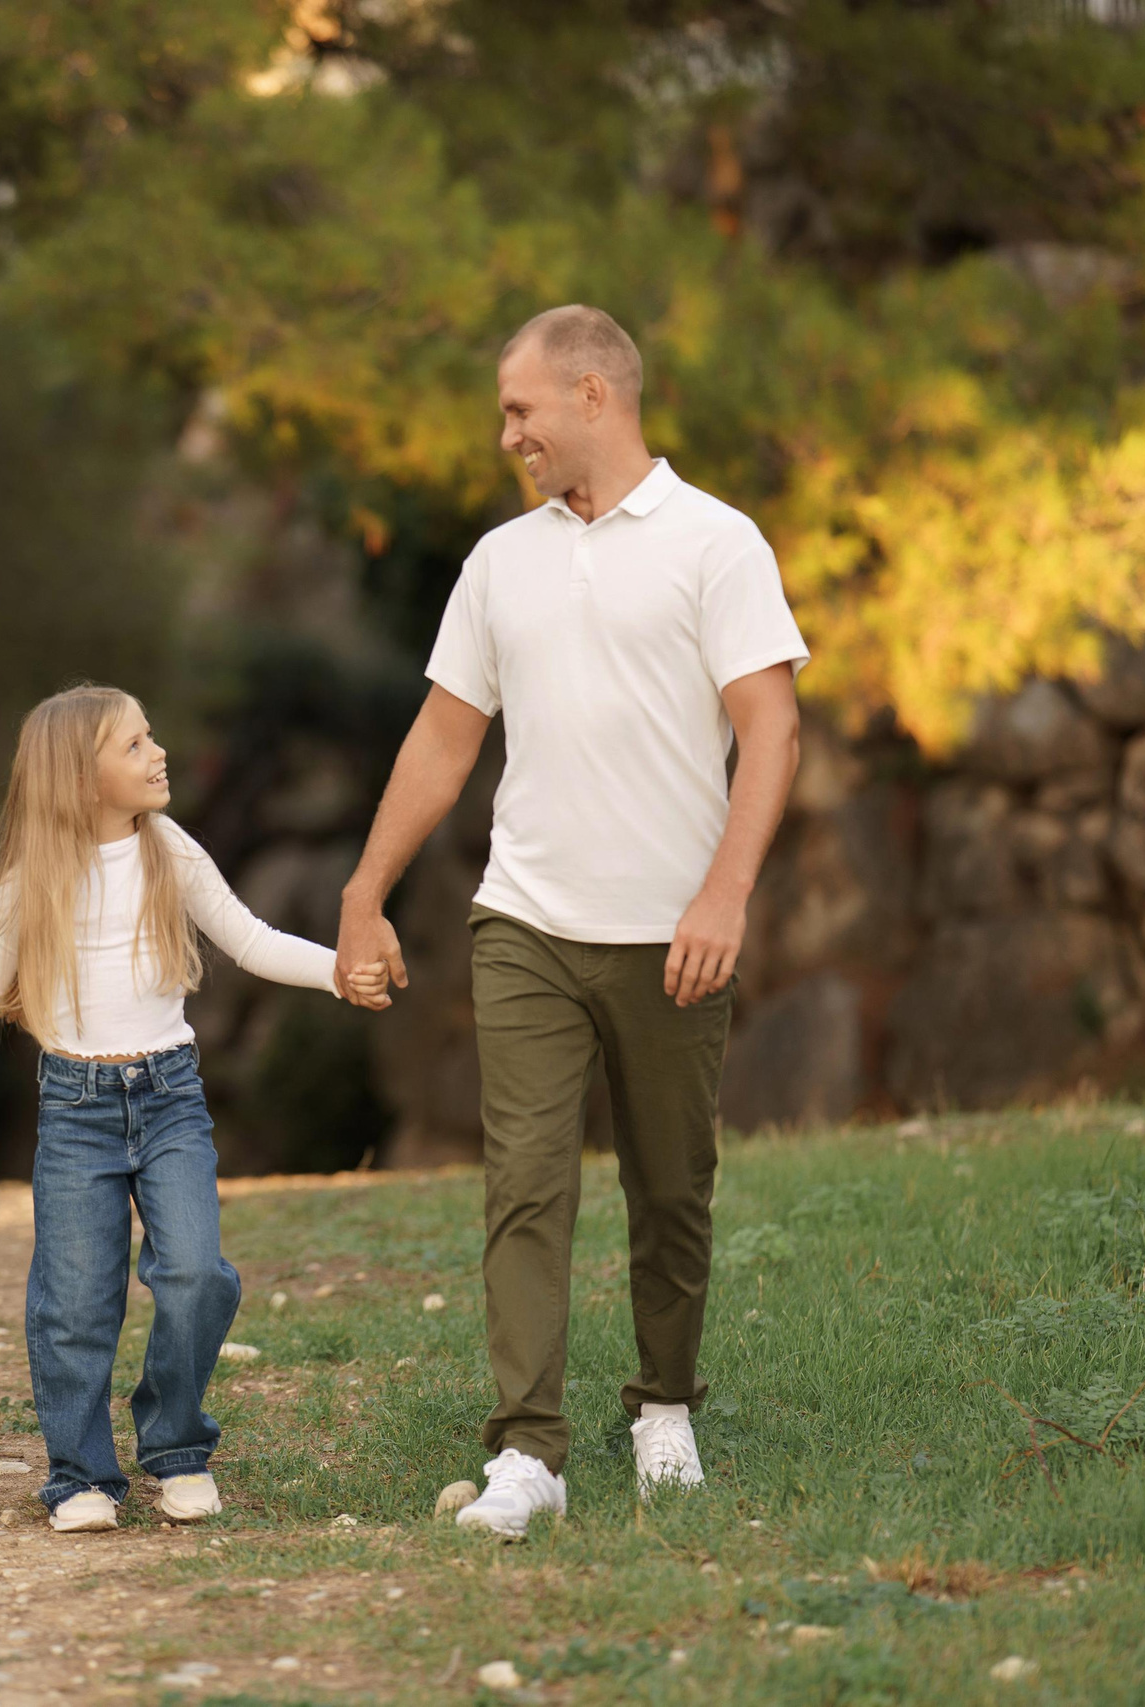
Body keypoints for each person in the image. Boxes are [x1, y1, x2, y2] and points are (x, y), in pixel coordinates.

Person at [334, 306, 807, 1540]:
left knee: (673, 1183)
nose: (508, 436)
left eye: (521, 410)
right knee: (525, 1185)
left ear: (594, 395)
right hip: (527, 922)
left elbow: (772, 731)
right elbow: (445, 739)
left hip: (672, 930)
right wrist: (363, 888)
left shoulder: (718, 543)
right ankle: (528, 1453)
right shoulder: (500, 563)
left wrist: (724, 893)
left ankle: (663, 1411)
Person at [0, 684, 387, 1533]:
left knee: (197, 1273)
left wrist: (338, 969)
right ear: (79, 777)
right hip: (76, 1107)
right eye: (134, 745)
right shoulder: (36, 877)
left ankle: (175, 1445)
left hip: (168, 1095)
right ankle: (80, 1473)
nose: (157, 752)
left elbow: (248, 938)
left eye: (149, 737)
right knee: (75, 1299)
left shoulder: (169, 849)